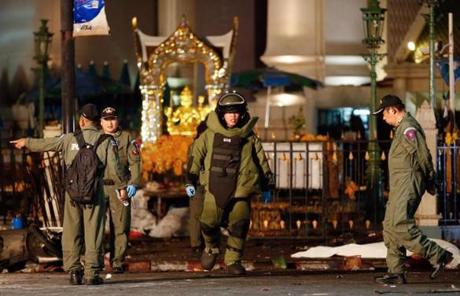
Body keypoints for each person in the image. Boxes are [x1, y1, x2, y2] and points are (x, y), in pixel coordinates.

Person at [10, 104, 128, 285]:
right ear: (98, 122)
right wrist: (121, 188)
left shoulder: (69, 139)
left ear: (82, 120)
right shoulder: (106, 141)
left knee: (71, 232)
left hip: (72, 194)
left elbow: (46, 144)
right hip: (94, 193)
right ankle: (91, 274)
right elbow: (115, 169)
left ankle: (74, 271)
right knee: (93, 232)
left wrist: (26, 141)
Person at [185, 91, 273, 275]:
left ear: (242, 113)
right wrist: (190, 180)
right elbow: (195, 157)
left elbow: (261, 161)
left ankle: (233, 260)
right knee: (208, 223)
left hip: (241, 188)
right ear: (221, 113)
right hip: (214, 187)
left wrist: (267, 185)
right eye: (229, 112)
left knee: (240, 224)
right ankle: (210, 248)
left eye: (236, 112)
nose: (233, 116)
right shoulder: (209, 135)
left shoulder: (249, 137)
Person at [373, 95, 453, 284]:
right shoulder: (401, 128)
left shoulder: (408, 128)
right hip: (399, 184)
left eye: (384, 114)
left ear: (393, 110)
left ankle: (439, 255)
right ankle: (397, 271)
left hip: (408, 182)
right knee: (390, 226)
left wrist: (431, 179)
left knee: (400, 224)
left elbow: (423, 154)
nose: (383, 118)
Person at [100, 106, 141, 273]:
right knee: (96, 226)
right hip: (99, 187)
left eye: (113, 119)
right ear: (101, 122)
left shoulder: (126, 138)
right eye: (106, 120)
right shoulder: (96, 138)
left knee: (121, 226)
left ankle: (117, 261)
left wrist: (133, 182)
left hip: (120, 188)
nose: (110, 123)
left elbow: (135, 162)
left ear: (117, 120)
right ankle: (95, 260)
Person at [186, 119, 208, 254]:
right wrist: (190, 183)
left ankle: (201, 243)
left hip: (204, 183)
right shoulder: (196, 146)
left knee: (201, 215)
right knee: (197, 215)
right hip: (199, 183)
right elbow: (190, 167)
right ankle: (197, 243)